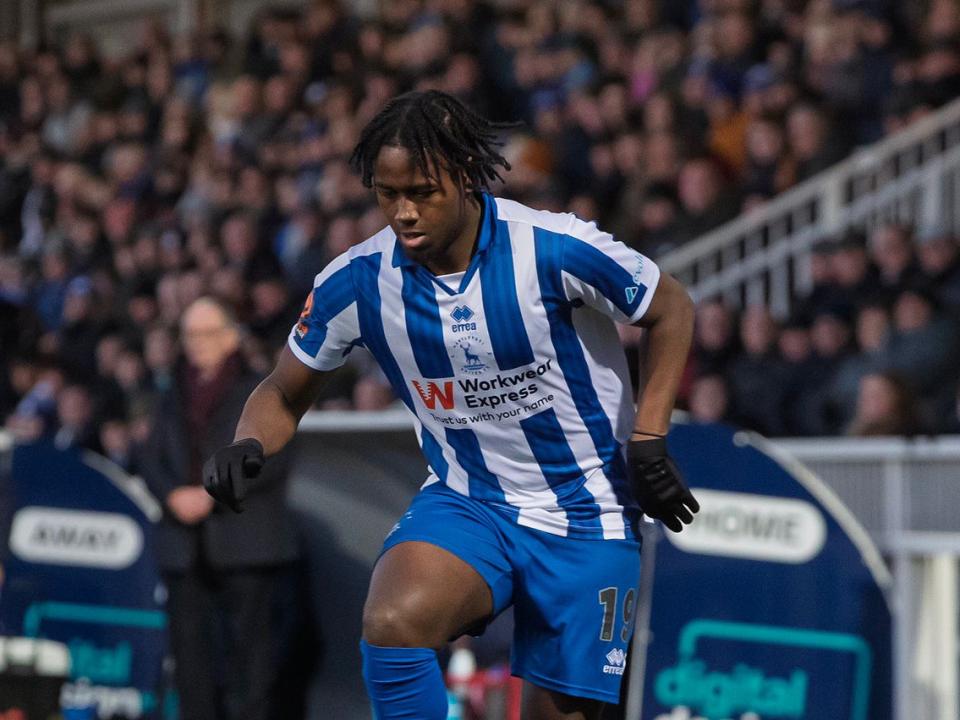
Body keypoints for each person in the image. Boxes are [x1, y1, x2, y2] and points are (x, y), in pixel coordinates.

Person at [204, 90, 698, 720]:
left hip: (589, 510)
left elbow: (670, 308)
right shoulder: (356, 280)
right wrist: (251, 441)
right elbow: (281, 390)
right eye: (388, 195)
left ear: (465, 177)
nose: (404, 212)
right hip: (471, 499)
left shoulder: (551, 246)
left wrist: (650, 437)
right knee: (391, 621)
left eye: (422, 192)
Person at [141, 297, 297, 720]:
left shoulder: (261, 388)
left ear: (231, 337)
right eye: (189, 334)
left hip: (245, 543)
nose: (196, 343)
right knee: (191, 663)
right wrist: (173, 495)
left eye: (206, 333)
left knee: (252, 662)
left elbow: (274, 457)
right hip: (183, 546)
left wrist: (211, 495)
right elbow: (150, 457)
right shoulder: (171, 392)